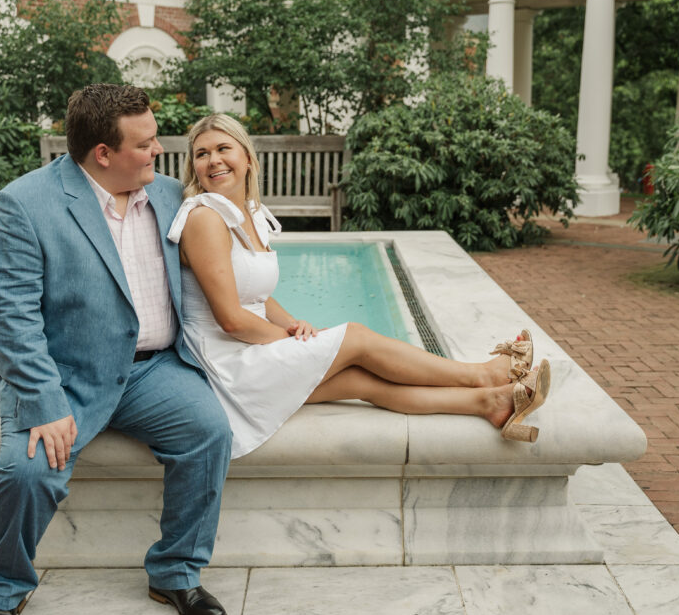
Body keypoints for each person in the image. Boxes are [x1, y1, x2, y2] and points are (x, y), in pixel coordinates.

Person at [0, 85, 233, 615]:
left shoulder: (171, 195)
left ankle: (175, 573)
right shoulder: (23, 204)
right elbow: (8, 317)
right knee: (26, 473)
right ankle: (3, 590)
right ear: (102, 153)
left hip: (152, 372)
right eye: (144, 143)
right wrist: (44, 404)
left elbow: (235, 252)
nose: (159, 149)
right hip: (62, 375)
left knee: (208, 434)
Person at [168, 114, 551, 461]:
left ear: (247, 157)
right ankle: (484, 375)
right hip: (227, 367)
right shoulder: (205, 219)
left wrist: (293, 323)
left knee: (363, 382)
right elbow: (233, 320)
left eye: (223, 149)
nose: (213, 160)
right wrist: (289, 342)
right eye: (202, 154)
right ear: (194, 167)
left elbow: (257, 295)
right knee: (356, 338)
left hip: (249, 352)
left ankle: (491, 403)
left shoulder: (248, 215)